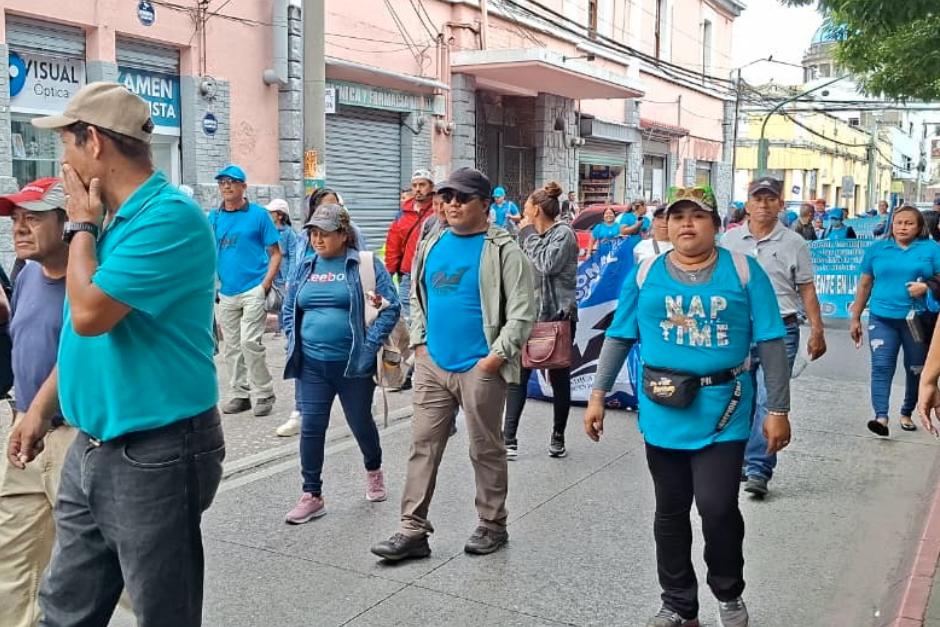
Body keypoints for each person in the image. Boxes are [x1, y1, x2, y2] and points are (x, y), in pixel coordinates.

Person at [6, 82, 222, 626]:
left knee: (162, 612)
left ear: (95, 142)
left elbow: (88, 314)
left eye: (67, 143)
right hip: (93, 443)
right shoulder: (109, 219)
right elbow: (80, 341)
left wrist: (79, 225)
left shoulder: (168, 218)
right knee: (64, 608)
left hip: (157, 450)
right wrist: (40, 409)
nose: (63, 160)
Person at [584, 185, 791, 627]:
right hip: (663, 408)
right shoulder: (646, 273)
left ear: (715, 224)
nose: (686, 224)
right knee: (670, 509)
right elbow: (619, 336)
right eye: (677, 217)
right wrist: (597, 394)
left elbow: (772, 340)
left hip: (725, 408)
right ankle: (679, 603)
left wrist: (777, 410)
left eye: (696, 216)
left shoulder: (744, 270)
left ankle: (728, 593)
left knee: (718, 508)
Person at [371, 167, 535, 561]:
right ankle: (412, 530)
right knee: (422, 445)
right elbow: (417, 295)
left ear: (485, 204)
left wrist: (494, 359)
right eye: (447, 197)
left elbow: (523, 313)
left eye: (463, 198)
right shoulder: (433, 241)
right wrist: (420, 343)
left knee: (485, 448)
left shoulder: (504, 250)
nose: (452, 204)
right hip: (433, 363)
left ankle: (492, 524)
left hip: (480, 366)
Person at [281, 204, 400, 523]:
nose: (317, 239)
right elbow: (289, 308)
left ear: (343, 234)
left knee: (360, 422)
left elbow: (391, 307)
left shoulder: (364, 265)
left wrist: (369, 348)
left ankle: (374, 470)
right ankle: (311, 494)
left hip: (353, 365)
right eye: (313, 233)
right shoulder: (305, 266)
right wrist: (293, 339)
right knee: (311, 426)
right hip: (312, 365)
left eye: (325, 233)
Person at [722, 176, 827, 497]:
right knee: (741, 396)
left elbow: (806, 288)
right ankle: (739, 459)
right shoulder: (729, 241)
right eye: (758, 199)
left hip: (781, 329)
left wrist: (817, 329)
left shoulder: (795, 243)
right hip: (739, 329)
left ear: (780, 204)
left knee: (770, 399)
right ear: (747, 204)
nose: (763, 205)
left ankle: (759, 467)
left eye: (770, 199)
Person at [0, 178, 73, 627]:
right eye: (15, 219)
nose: (19, 229)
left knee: (108, 566)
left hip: (74, 438)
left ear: (67, 223)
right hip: (23, 432)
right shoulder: (26, 273)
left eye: (33, 218)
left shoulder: (90, 282)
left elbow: (85, 358)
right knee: (13, 559)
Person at [503, 181, 578, 459]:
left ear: (536, 210)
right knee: (518, 376)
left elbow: (547, 264)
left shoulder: (563, 233)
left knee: (558, 376)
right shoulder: (526, 236)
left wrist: (527, 234)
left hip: (558, 316)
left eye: (526, 208)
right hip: (527, 315)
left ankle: (558, 436)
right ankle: (508, 439)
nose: (523, 213)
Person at [850, 206, 940, 436]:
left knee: (916, 368)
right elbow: (865, 284)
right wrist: (855, 317)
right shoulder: (877, 249)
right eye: (898, 222)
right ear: (892, 224)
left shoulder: (931, 249)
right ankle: (881, 417)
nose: (903, 227)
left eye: (909, 223)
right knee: (881, 366)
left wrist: (926, 286)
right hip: (881, 318)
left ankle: (907, 412)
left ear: (919, 227)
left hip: (917, 321)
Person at [210, 163, 281, 416]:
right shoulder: (214, 217)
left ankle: (264, 393)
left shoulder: (259, 215)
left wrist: (265, 285)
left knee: (249, 342)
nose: (226, 186)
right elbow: (207, 252)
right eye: (222, 182)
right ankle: (240, 394)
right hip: (226, 292)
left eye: (231, 182)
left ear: (244, 186)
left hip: (253, 288)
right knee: (231, 347)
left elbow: (276, 253)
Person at [385, 170, 434, 325]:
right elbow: (393, 245)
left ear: (431, 187)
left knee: (430, 315)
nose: (418, 189)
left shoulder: (439, 210)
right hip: (407, 274)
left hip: (432, 273)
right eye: (414, 185)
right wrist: (388, 273)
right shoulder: (403, 214)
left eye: (422, 185)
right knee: (408, 318)